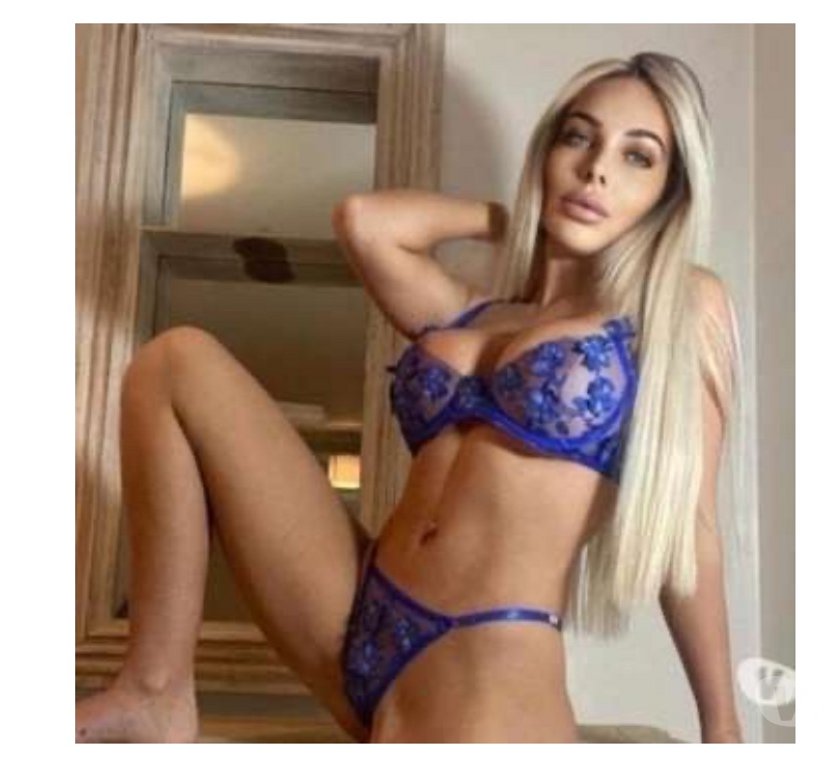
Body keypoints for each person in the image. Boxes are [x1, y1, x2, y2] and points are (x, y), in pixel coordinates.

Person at [75, 51, 744, 743]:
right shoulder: (468, 312)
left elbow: (691, 530)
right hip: (353, 612)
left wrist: (722, 731)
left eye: (637, 157)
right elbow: (363, 221)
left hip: (488, 649)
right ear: (547, 152)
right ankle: (153, 688)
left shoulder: (678, 311)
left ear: (668, 195)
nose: (596, 169)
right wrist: (521, 215)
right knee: (175, 362)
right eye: (578, 137)